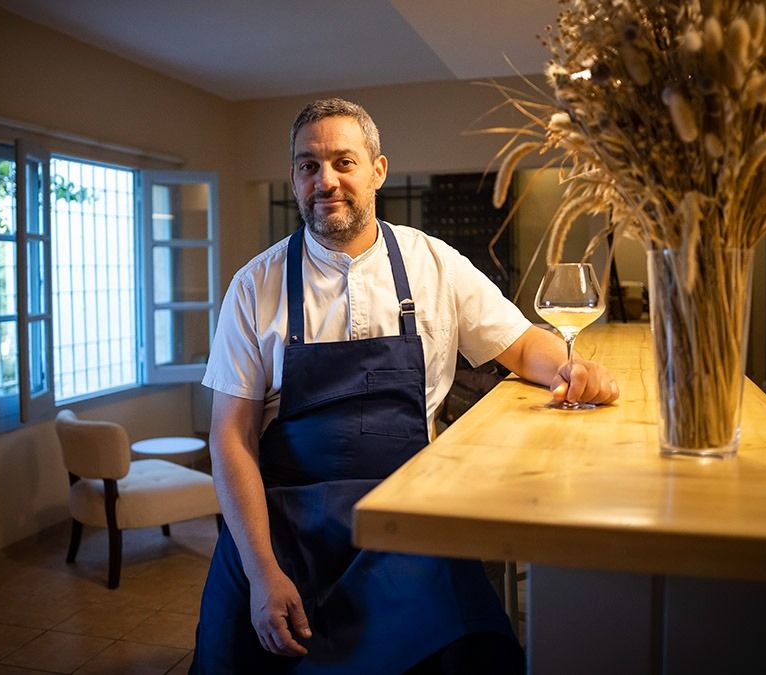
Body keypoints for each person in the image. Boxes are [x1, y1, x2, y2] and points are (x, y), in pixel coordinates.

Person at [191, 98, 619, 674]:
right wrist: (261, 569)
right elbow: (231, 438)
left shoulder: (433, 262)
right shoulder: (253, 286)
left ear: (378, 170)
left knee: (467, 655)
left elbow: (520, 345)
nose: (326, 181)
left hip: (410, 516)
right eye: (307, 166)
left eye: (343, 161)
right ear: (294, 177)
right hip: (286, 527)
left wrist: (570, 367)